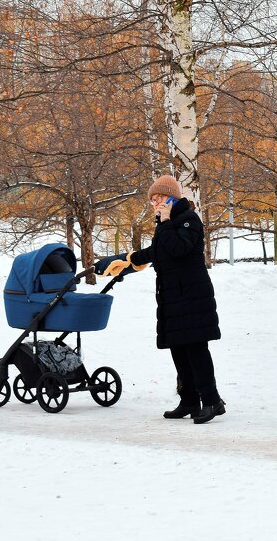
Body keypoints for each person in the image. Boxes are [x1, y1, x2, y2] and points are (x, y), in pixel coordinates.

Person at [96, 175, 225, 424]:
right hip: (173, 296)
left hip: (191, 295)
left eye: (158, 198)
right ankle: (188, 400)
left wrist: (165, 222)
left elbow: (178, 248)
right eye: (152, 200)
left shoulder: (188, 220)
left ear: (171, 198)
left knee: (196, 349)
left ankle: (212, 401)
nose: (155, 203)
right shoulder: (167, 222)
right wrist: (128, 260)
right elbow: (159, 251)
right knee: (179, 349)